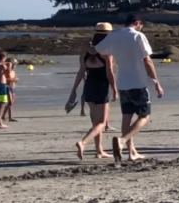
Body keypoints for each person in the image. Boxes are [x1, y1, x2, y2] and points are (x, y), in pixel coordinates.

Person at [99, 14, 164, 161]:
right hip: (138, 82)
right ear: (138, 23)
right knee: (144, 116)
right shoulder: (137, 36)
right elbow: (147, 60)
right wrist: (156, 82)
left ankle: (131, 152)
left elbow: (100, 49)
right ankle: (122, 141)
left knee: (126, 117)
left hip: (123, 82)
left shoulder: (114, 35)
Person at [66, 22, 118, 160]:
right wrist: (114, 89)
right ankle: (83, 142)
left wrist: (74, 90)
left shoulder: (85, 49)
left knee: (95, 122)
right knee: (102, 122)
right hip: (101, 87)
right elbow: (110, 72)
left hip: (88, 86)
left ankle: (99, 151)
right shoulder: (107, 51)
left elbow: (81, 71)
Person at [3, 58, 19, 122]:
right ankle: (5, 115)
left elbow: (13, 79)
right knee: (10, 102)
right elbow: (5, 79)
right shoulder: (7, 71)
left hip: (13, 87)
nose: (15, 66)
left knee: (11, 103)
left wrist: (15, 80)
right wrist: (13, 80)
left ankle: (8, 116)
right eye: (14, 64)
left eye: (16, 64)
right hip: (8, 87)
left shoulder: (13, 71)